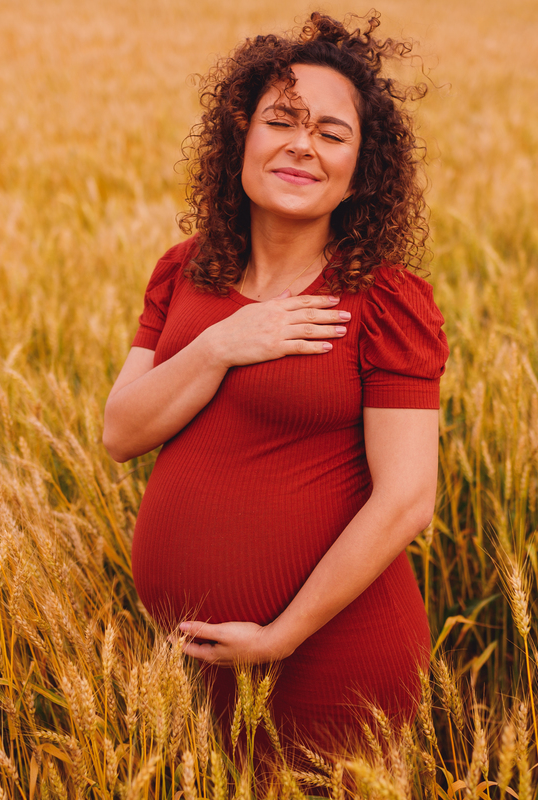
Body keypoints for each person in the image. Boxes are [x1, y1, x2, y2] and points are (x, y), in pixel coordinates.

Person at [102, 11, 447, 766]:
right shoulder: (185, 270)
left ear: (362, 169)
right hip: (198, 663)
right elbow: (121, 433)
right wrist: (222, 345)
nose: (302, 144)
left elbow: (408, 499)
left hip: (331, 657)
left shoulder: (386, 302)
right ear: (241, 140)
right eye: (281, 120)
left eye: (331, 132)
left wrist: (280, 635)